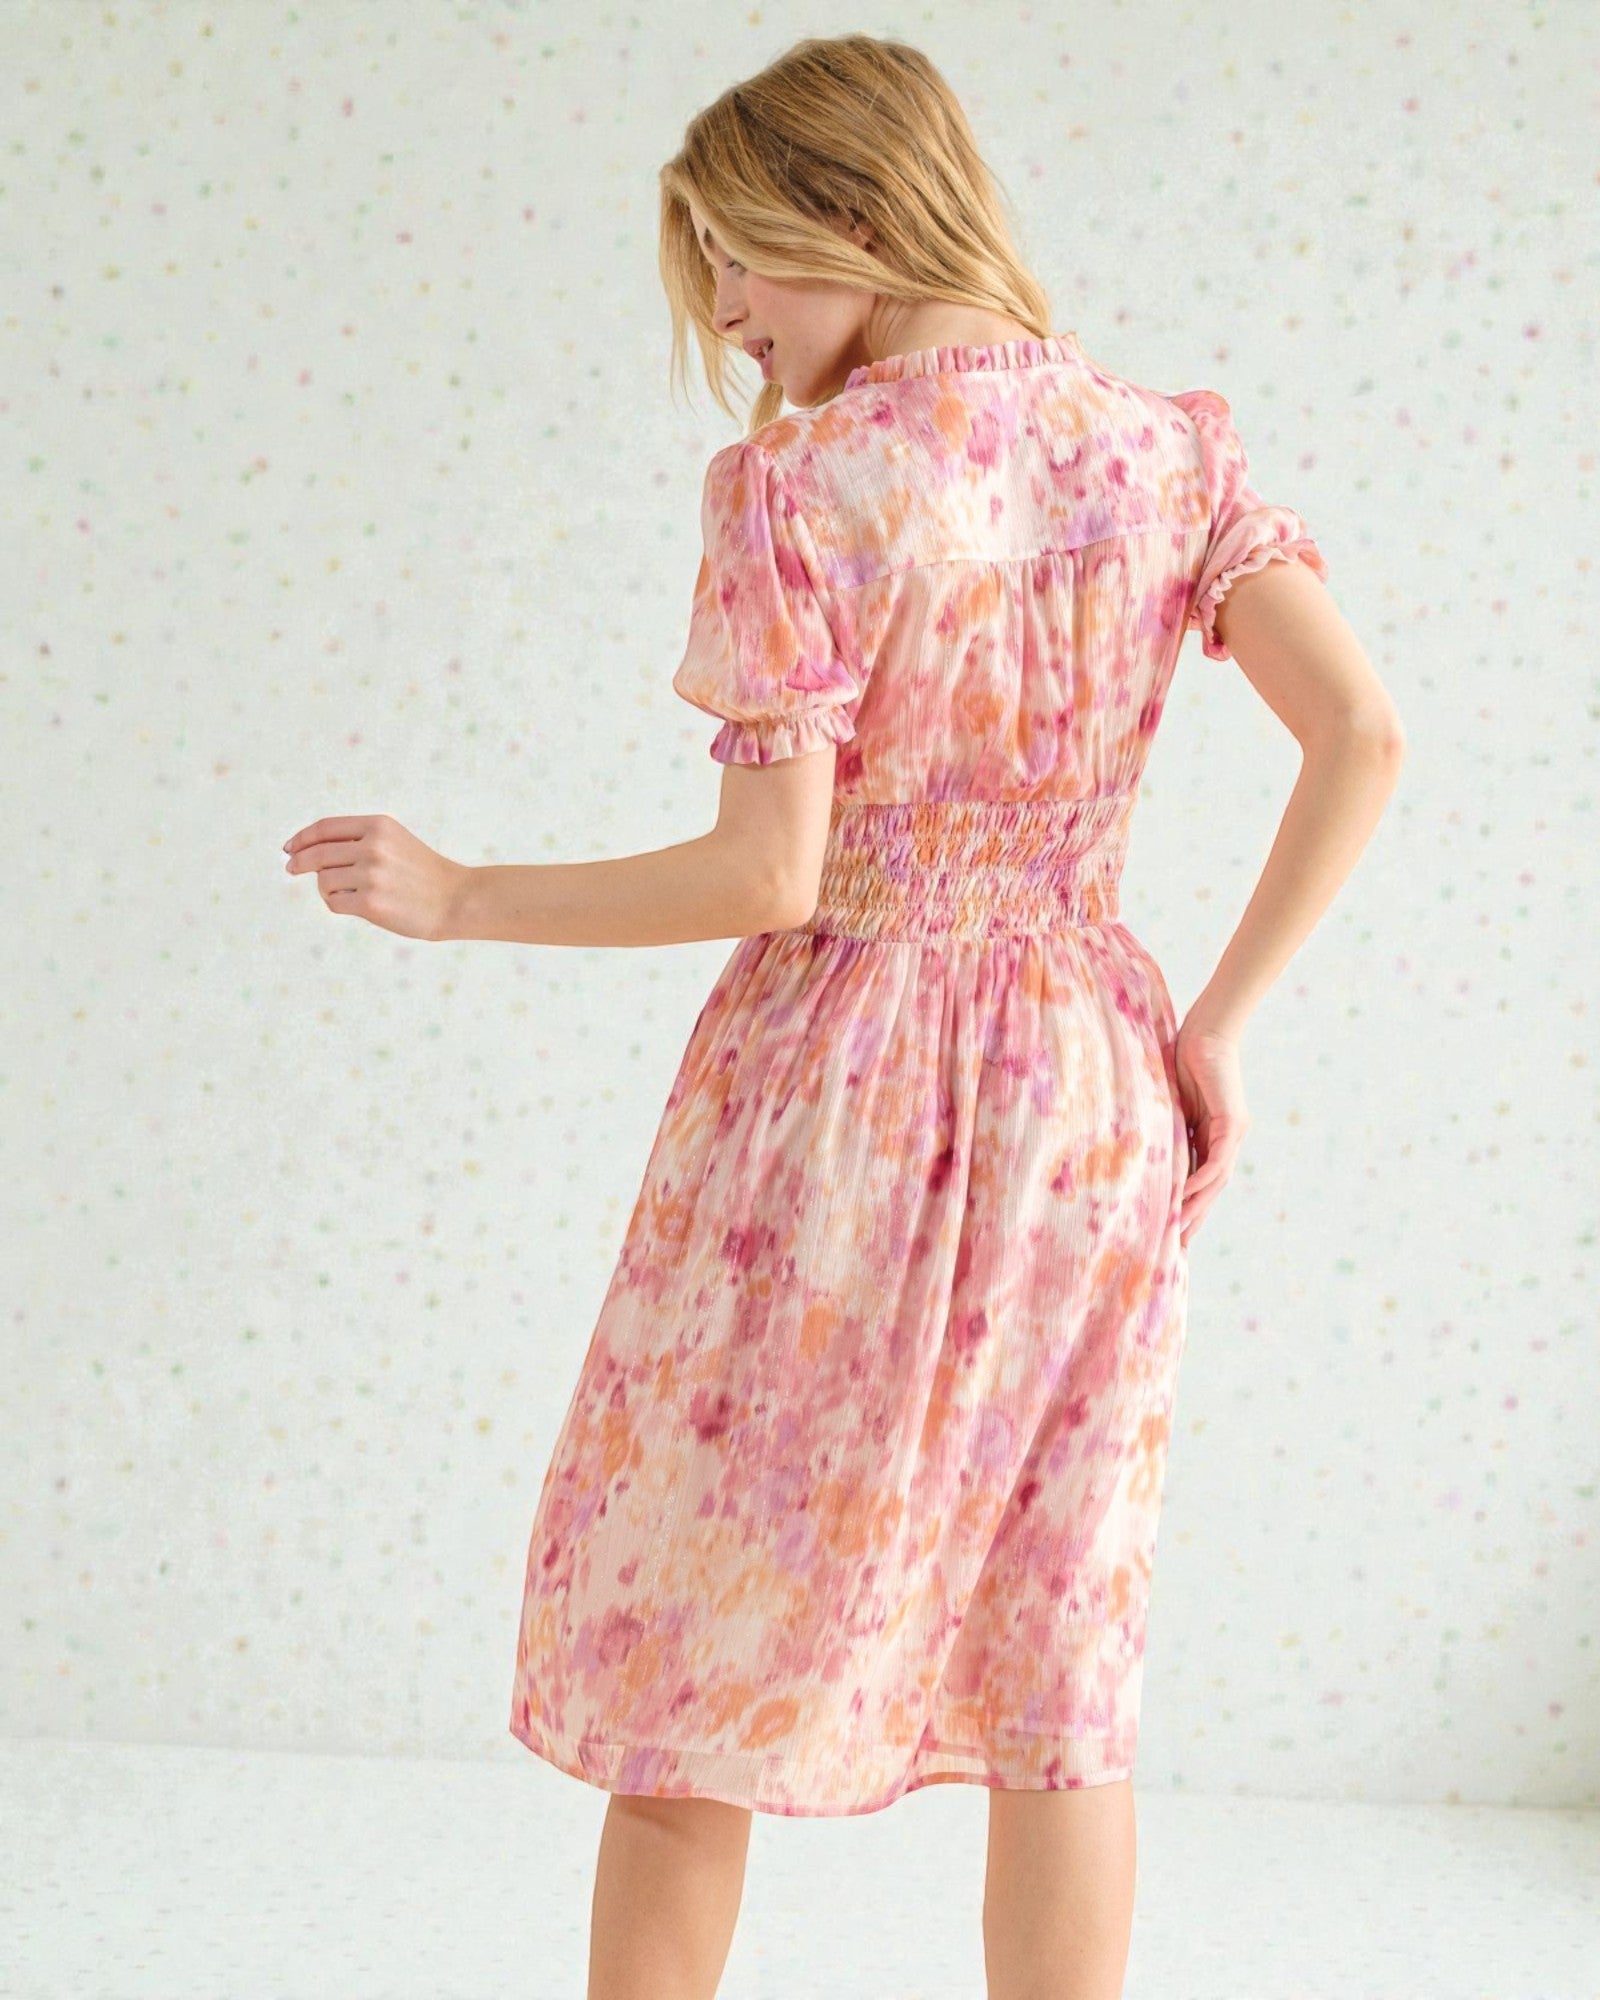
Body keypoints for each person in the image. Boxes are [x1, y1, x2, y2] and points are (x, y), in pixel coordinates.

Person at [281, 32, 1405, 2000]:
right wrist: (1208, 1025)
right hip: (1094, 1079)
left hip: (853, 1090)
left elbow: (768, 877)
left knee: (687, 1628)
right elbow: (1362, 735)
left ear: (858, 216)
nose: (725, 321)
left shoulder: (805, 485)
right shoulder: (1162, 448)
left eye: (741, 263)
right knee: (1062, 1651)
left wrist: (462, 897)